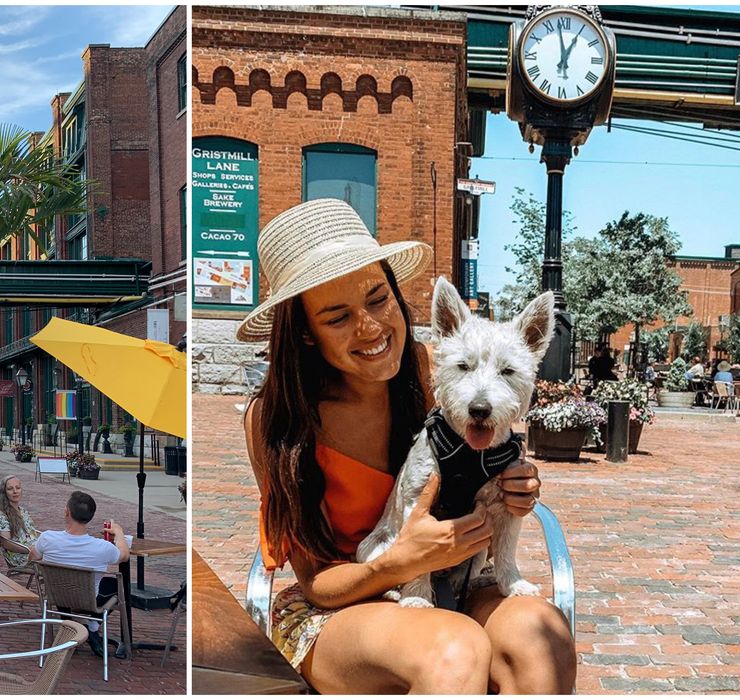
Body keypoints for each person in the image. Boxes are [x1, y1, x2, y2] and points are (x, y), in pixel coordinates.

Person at [237, 199, 572, 694]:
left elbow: (486, 455)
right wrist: (401, 562)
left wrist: (516, 487)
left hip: (456, 577)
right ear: (306, 334)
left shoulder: (433, 370)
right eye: (337, 317)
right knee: (454, 649)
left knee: (541, 641)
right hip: (342, 605)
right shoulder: (277, 420)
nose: (370, 328)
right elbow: (317, 584)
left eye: (378, 299)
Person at [29, 491, 129, 657]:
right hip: (88, 599)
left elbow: (33, 558)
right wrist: (118, 533)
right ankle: (93, 627)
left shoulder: (47, 538)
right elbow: (123, 555)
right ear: (90, 516)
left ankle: (67, 626)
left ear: (66, 511)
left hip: (57, 594)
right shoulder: (102, 547)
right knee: (116, 585)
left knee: (60, 578)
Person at [0, 475, 40, 568]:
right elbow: (6, 543)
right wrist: (29, 550)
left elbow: (32, 533)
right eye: (10, 489)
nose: (15, 491)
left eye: (18, 488)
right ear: (4, 493)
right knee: (55, 559)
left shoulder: (23, 511)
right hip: (20, 557)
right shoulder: (1, 515)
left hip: (34, 551)